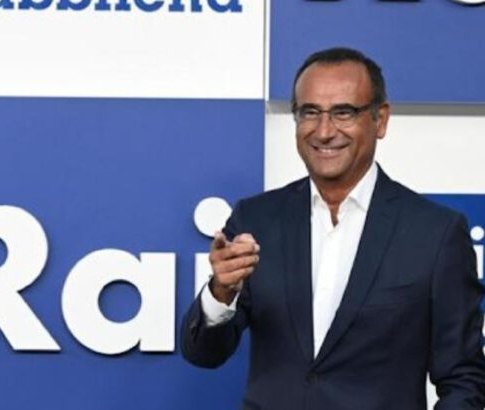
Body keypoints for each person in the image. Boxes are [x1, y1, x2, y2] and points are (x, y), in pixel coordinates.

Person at [181, 47, 485, 410]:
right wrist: (221, 292)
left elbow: (464, 379)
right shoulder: (255, 220)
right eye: (310, 112)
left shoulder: (435, 233)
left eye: (344, 112)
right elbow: (204, 354)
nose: (324, 131)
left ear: (380, 120)